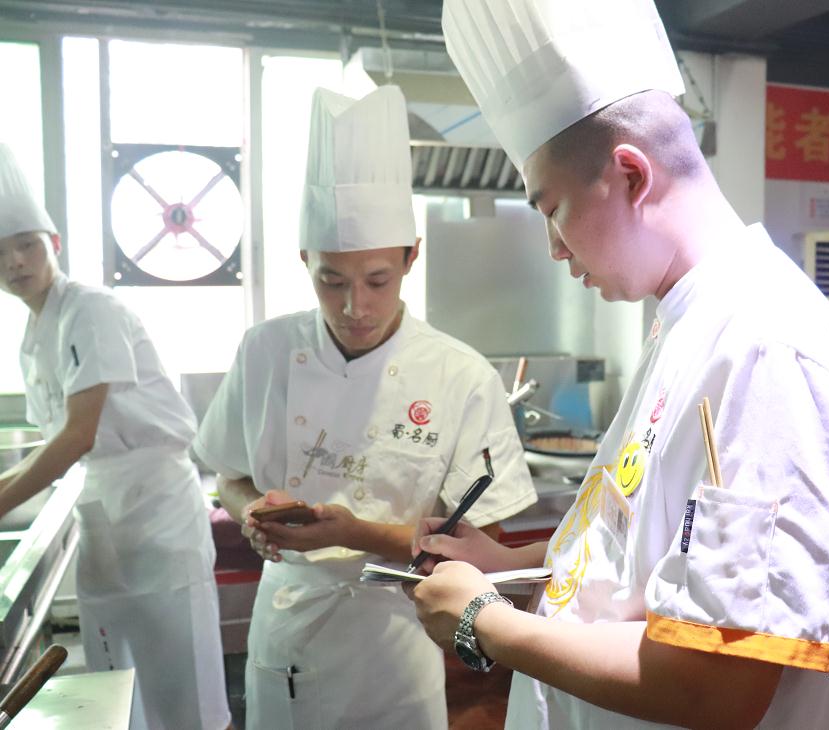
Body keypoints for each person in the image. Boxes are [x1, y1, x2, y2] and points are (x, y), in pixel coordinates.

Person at [409, 1, 829, 728]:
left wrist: (483, 621)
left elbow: (716, 685)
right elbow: (656, 547)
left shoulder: (764, 345)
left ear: (630, 174)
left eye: (553, 209)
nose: (556, 250)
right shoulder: (687, 325)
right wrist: (511, 560)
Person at [193, 85, 537, 730]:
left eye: (377, 280)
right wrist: (251, 516)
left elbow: (481, 544)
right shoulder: (265, 351)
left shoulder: (460, 374)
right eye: (331, 280)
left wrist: (352, 532)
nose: (355, 306)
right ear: (305, 262)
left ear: (411, 257)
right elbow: (231, 476)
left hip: (396, 637)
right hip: (289, 624)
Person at [0, 143, 231, 730]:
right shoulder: (35, 330)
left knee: (186, 694)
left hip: (156, 515)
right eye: (0, 253)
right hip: (104, 521)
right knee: (120, 691)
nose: (16, 263)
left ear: (53, 244)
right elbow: (59, 436)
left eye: (26, 245)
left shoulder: (89, 311)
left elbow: (78, 435)